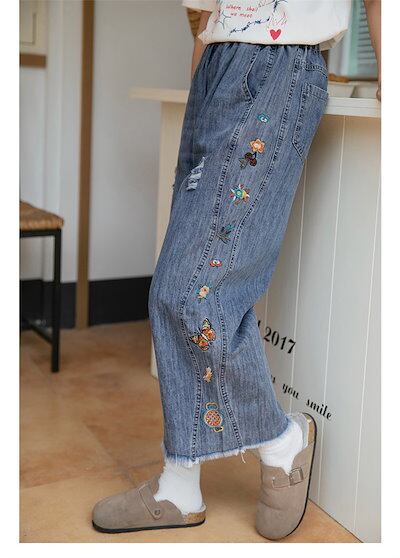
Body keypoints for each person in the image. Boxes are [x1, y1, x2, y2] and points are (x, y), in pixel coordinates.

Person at [92, 0, 381, 540]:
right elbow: (206, 19)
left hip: (277, 68)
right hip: (215, 67)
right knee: (176, 286)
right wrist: (199, 94)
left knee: (193, 290)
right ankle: (182, 479)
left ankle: (281, 442)